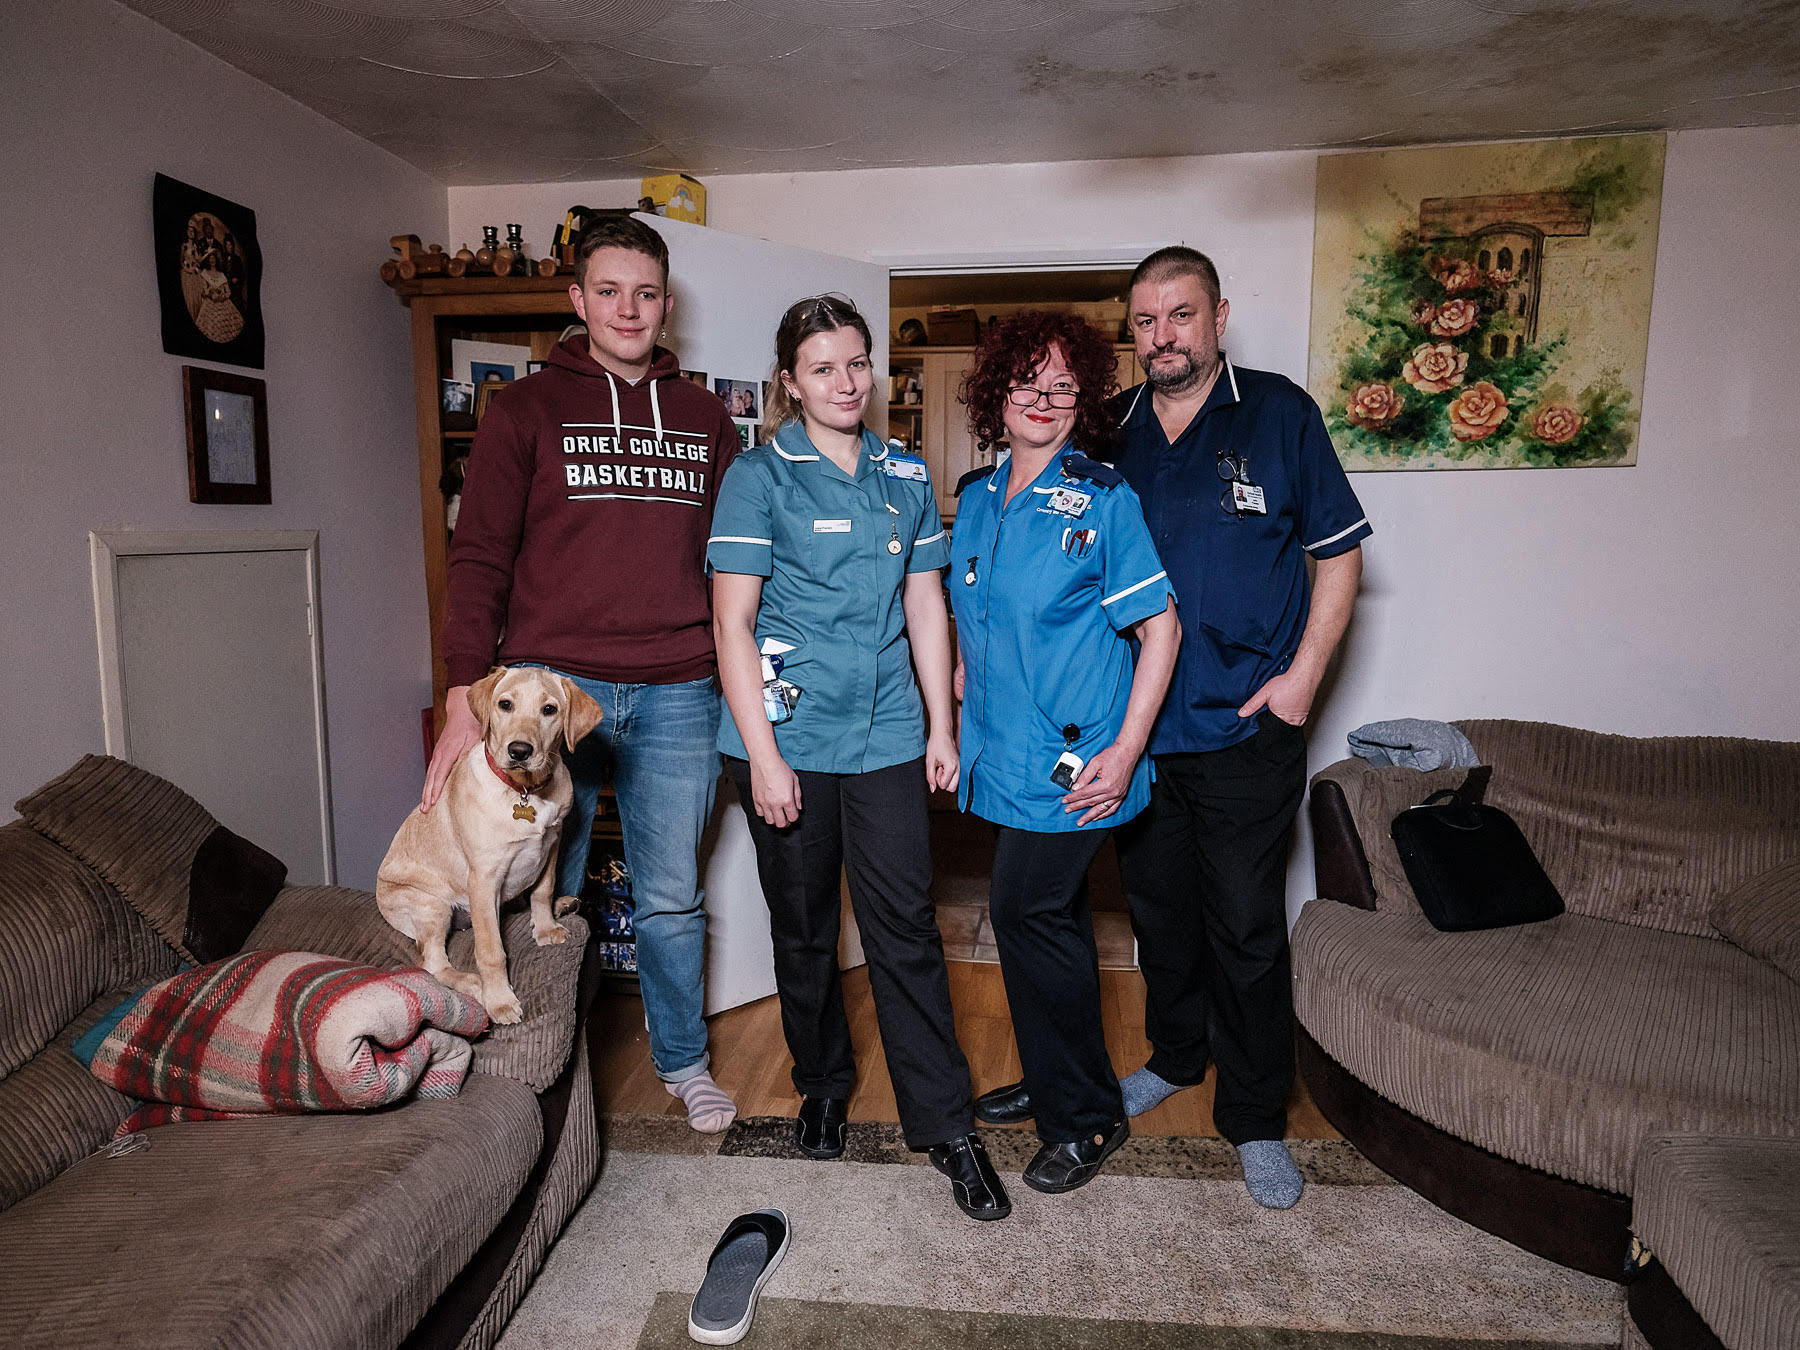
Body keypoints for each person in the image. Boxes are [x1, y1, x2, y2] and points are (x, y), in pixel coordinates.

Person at [428, 216, 743, 1134]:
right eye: (608, 291)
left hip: (680, 685)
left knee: (670, 895)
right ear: (578, 301)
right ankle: (524, 1062)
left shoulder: (704, 416)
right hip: (550, 694)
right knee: (540, 886)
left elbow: (733, 561)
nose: (628, 309)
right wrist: (462, 696)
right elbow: (480, 556)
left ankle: (683, 1063)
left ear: (666, 301)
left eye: (644, 293)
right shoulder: (524, 411)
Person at [708, 295, 1010, 1222]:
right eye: (824, 368)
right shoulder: (760, 476)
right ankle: (825, 1083)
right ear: (790, 383)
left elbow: (926, 604)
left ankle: (945, 1122)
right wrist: (762, 756)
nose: (846, 383)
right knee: (801, 929)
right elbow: (732, 622)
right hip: (785, 737)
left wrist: (941, 728)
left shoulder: (905, 473)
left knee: (904, 930)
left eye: (857, 364)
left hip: (884, 735)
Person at [1107, 245, 1371, 1209]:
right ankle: (1176, 1057)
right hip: (1137, 735)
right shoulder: (1112, 434)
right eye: (1145, 319)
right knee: (1161, 916)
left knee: (1247, 928)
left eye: (1180, 314)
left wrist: (1303, 680)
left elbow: (1337, 558)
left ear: (1220, 317)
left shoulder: (1279, 414)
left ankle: (1256, 1113)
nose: (1162, 335)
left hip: (1245, 731)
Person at [951, 311, 1180, 1195]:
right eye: (1026, 384)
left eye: (1062, 388)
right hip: (1001, 753)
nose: (1043, 402)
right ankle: (1059, 1079)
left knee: (1026, 913)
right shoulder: (975, 498)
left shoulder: (1105, 497)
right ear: (996, 392)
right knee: (1051, 923)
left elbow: (1161, 629)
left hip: (1080, 761)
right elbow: (972, 616)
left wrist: (1128, 749)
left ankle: (1085, 1119)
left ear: (1081, 400)